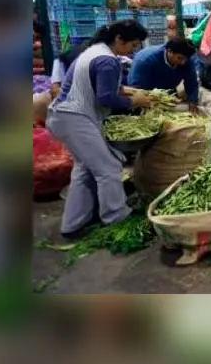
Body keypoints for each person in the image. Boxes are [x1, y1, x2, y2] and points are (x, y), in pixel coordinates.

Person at [46, 20, 153, 239]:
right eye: (132, 45)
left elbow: (101, 85)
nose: (132, 51)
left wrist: (127, 90)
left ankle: (74, 223)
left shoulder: (94, 51)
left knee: (84, 169)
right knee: (109, 167)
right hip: (75, 117)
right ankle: (116, 217)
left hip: (63, 116)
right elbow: (105, 97)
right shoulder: (107, 59)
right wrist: (136, 101)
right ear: (119, 40)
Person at [128, 38, 201, 113]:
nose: (183, 62)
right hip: (145, 91)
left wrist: (193, 101)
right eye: (180, 58)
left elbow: (192, 83)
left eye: (186, 59)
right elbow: (136, 88)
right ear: (169, 51)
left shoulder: (186, 60)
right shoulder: (145, 60)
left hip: (167, 92)